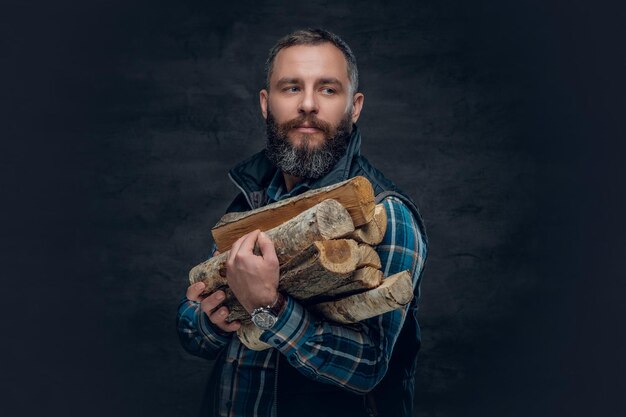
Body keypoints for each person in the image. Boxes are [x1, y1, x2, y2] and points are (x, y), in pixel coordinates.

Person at [177, 28, 428, 417]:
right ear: (266, 103)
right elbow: (191, 331)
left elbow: (368, 369)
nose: (308, 104)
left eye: (328, 89)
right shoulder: (252, 197)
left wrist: (267, 307)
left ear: (354, 106)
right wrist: (213, 320)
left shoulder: (384, 213)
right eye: (291, 88)